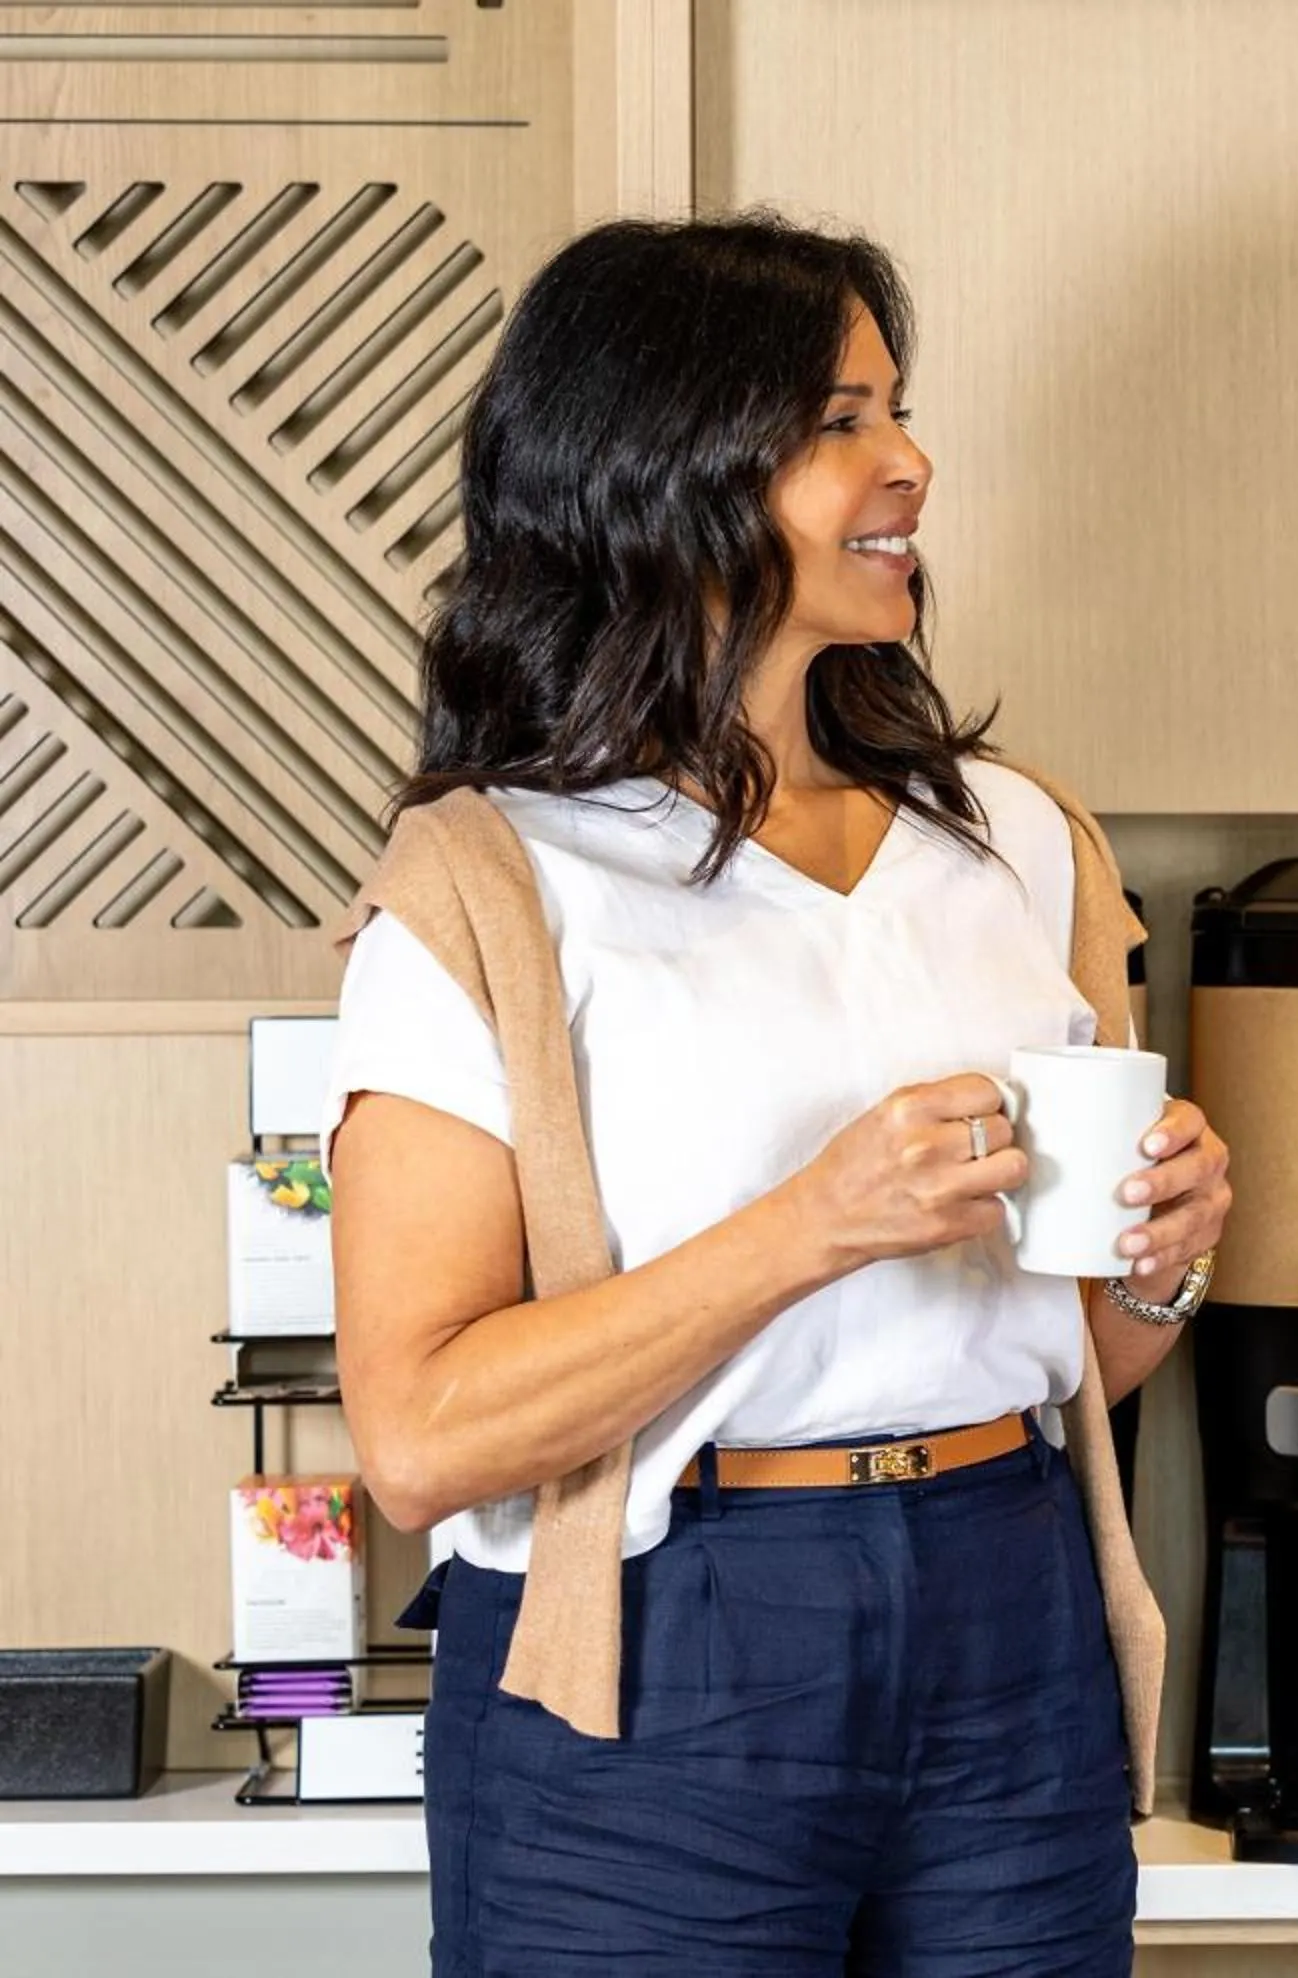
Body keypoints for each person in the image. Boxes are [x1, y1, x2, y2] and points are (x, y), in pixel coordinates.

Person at [325, 214, 1228, 1976]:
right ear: (665, 466)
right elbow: (420, 1436)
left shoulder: (1020, 842)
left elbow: (1075, 1360)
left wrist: (1160, 1263)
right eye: (840, 421)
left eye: (896, 409)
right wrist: (808, 1229)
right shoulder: (491, 887)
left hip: (1008, 1597)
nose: (911, 463)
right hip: (666, 1646)